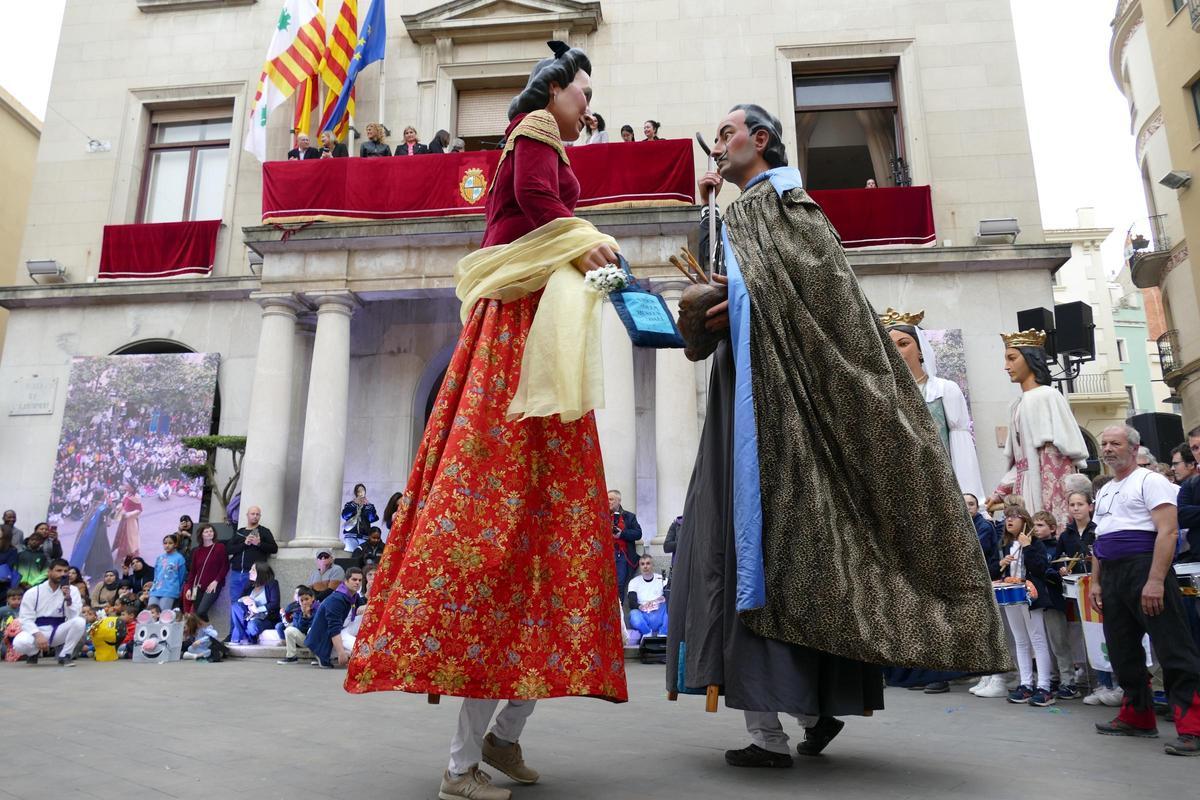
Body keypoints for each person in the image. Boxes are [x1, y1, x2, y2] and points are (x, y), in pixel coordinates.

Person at [667, 104, 1008, 768]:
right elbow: (736, 300)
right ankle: (805, 713)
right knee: (755, 556)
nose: (718, 144)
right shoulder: (737, 216)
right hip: (744, 399)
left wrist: (737, 301)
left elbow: (825, 309)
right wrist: (712, 280)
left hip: (784, 415)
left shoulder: (792, 210)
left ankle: (776, 731)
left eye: (728, 134)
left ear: (761, 140)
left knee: (764, 554)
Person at [346, 42, 625, 800]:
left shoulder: (547, 139)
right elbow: (537, 203)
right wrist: (587, 240)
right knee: (502, 551)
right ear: (554, 91)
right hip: (518, 326)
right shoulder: (534, 130)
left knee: (552, 554)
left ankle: (499, 739)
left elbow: (545, 212)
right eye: (583, 92)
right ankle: (460, 766)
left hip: (531, 321)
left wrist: (581, 246)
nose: (588, 106)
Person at [1089, 425, 1200, 755]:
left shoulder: (1151, 481)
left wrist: (1155, 580)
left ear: (1134, 449)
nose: (1107, 449)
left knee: (1173, 648)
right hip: (1112, 574)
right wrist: (1096, 581)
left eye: (1115, 443)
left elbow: (1168, 532)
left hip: (1145, 568)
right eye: (1104, 443)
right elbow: (1099, 538)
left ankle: (1193, 728)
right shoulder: (1105, 489)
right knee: (1122, 650)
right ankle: (1137, 716)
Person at [880, 310, 986, 502]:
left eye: (903, 344)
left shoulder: (944, 390)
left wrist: (968, 494)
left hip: (940, 487)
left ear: (920, 349)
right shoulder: (883, 396)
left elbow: (960, 443)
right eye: (890, 346)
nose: (896, 351)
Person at [987, 331, 1088, 529]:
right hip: (1024, 487)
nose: (1006, 366)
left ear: (1030, 358)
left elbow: (1056, 461)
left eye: (1012, 358)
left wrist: (1051, 511)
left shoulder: (1047, 397)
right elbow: (1020, 462)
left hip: (1042, 489)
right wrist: (999, 493)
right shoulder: (1017, 404)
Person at [1033, 509, 1082, 699]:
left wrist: (1056, 571)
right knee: (1044, 642)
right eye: (1034, 525)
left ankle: (1068, 680)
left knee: (1059, 641)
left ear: (1052, 528)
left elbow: (1060, 570)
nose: (1036, 529)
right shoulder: (1032, 547)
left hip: (1053, 599)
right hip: (1037, 601)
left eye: (1040, 525)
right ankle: (1053, 677)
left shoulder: (1056, 548)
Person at [13, 559, 85, 666]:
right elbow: (25, 618)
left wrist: (68, 599)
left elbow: (74, 616)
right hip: (37, 630)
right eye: (59, 571)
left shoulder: (72, 590)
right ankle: (34, 652)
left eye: (65, 571)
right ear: (49, 572)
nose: (63, 574)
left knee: (79, 622)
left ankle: (65, 655)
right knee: (19, 643)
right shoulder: (33, 592)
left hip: (58, 630)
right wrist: (37, 635)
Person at [226, 506, 278, 633]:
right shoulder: (240, 532)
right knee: (235, 604)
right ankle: (234, 633)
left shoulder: (264, 531)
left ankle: (248, 632)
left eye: (257, 514)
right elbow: (228, 549)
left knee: (252, 603)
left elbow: (274, 548)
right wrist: (245, 544)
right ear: (247, 515)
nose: (255, 516)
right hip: (236, 573)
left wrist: (258, 543)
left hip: (253, 576)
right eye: (252, 514)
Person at [307, 567, 364, 668]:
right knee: (362, 650)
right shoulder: (336, 600)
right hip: (326, 637)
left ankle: (348, 653)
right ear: (346, 581)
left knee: (366, 614)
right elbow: (334, 628)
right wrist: (341, 652)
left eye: (360, 580)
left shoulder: (354, 596)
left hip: (343, 629)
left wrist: (366, 606)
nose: (357, 583)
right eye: (354, 579)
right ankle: (332, 653)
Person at [184, 524, 228, 621]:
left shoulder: (219, 547)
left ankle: (206, 624)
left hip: (213, 585)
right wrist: (189, 588)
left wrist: (216, 581)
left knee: (201, 611)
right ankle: (201, 628)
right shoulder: (197, 551)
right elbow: (193, 572)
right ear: (201, 535)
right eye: (206, 531)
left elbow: (225, 566)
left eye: (211, 531)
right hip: (197, 586)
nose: (209, 533)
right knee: (195, 613)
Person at [230, 562, 280, 645]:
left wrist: (257, 609)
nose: (249, 571)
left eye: (253, 570)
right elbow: (239, 599)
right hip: (249, 616)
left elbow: (275, 603)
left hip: (265, 618)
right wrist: (244, 599)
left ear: (261, 572)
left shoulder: (272, 583)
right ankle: (244, 637)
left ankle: (242, 637)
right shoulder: (250, 585)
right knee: (235, 606)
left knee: (253, 626)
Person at [69, 489, 111, 580]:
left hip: (97, 531)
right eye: (105, 493)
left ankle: (95, 570)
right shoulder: (100, 506)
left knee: (97, 551)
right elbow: (105, 512)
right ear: (101, 496)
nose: (106, 494)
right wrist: (110, 505)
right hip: (99, 532)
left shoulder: (95, 504)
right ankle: (96, 572)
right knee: (98, 551)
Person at [609, 489, 642, 598]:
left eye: (611, 499)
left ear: (619, 501)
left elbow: (638, 534)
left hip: (622, 555)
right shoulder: (602, 516)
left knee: (620, 584)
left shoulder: (629, 516)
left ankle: (619, 608)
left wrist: (622, 534)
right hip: (606, 555)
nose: (608, 502)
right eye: (607, 499)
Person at [627, 554, 667, 639]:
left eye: (648, 563)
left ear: (652, 565)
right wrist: (641, 607)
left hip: (659, 613)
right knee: (633, 614)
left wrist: (656, 601)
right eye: (642, 564)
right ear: (640, 566)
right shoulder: (634, 582)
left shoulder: (662, 579)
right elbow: (631, 602)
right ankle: (647, 634)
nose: (645, 566)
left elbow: (669, 595)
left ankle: (663, 633)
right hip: (643, 615)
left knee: (670, 607)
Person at [276, 585, 317, 664]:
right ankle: (291, 657)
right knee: (289, 630)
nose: (304, 602)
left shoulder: (318, 608)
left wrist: (309, 615)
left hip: (317, 641)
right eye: (301, 600)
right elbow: (298, 628)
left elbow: (317, 626)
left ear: (312, 598)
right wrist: (304, 615)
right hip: (305, 639)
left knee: (312, 629)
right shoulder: (297, 611)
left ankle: (319, 656)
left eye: (307, 599)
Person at [148, 534, 187, 610]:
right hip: (156, 590)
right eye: (165, 543)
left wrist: (178, 590)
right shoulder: (159, 558)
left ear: (175, 544)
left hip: (170, 591)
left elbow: (181, 577)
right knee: (150, 613)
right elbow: (156, 575)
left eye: (170, 543)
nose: (167, 545)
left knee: (163, 614)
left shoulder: (179, 558)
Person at [111, 483, 143, 566]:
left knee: (130, 538)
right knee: (122, 537)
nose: (126, 487)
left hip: (131, 521)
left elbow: (139, 510)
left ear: (132, 488)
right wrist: (119, 507)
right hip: (124, 519)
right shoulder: (127, 494)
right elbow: (123, 503)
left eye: (128, 486)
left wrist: (129, 514)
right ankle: (124, 555)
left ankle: (130, 554)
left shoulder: (136, 497)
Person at [340, 483, 378, 551]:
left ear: (365, 492)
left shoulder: (369, 506)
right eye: (358, 491)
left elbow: (372, 518)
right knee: (350, 555)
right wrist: (354, 504)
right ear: (356, 493)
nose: (361, 493)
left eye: (362, 490)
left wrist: (368, 505)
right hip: (351, 535)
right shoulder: (350, 504)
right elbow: (344, 515)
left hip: (364, 537)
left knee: (363, 555)